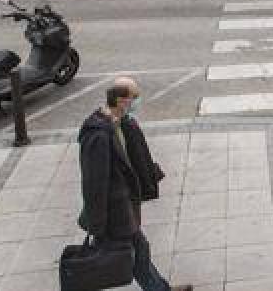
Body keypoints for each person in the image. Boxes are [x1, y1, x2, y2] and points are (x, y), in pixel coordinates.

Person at [77, 77, 192, 291]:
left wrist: (150, 176)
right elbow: (93, 184)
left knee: (137, 253)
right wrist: (97, 223)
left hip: (125, 203)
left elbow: (136, 157)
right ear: (121, 101)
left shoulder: (124, 123)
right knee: (133, 253)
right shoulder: (98, 136)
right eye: (134, 97)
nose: (138, 101)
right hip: (114, 210)